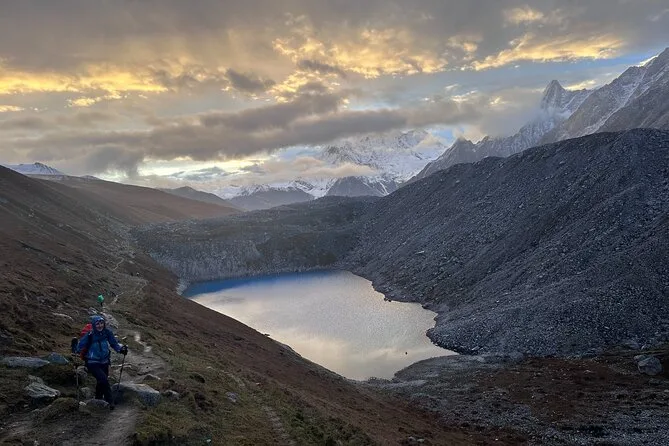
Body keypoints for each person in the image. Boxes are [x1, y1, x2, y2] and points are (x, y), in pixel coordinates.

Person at [76, 315, 128, 407]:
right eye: (97, 324)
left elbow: (114, 344)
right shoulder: (90, 335)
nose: (100, 326)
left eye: (101, 323)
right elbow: (80, 345)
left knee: (101, 381)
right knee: (104, 379)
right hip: (92, 362)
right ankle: (110, 401)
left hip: (105, 361)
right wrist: (75, 350)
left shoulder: (107, 332)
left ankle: (98, 399)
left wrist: (120, 350)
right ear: (94, 325)